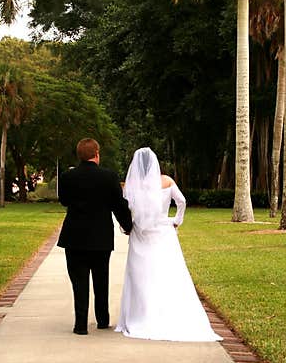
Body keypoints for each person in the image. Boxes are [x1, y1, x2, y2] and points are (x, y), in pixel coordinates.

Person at [116, 147, 222, 342]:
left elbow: (126, 208)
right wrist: (176, 220)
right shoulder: (167, 182)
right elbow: (182, 201)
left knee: (140, 274)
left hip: (140, 233)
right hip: (164, 231)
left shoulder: (132, 185)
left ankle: (139, 315)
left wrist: (128, 226)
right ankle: (168, 310)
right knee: (167, 271)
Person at [57, 138, 133, 335]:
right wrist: (128, 226)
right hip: (100, 236)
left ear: (79, 155)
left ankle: (80, 324)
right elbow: (118, 204)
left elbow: (64, 201)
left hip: (74, 237)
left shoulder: (67, 176)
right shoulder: (109, 177)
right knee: (101, 279)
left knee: (79, 281)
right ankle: (102, 319)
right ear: (97, 154)